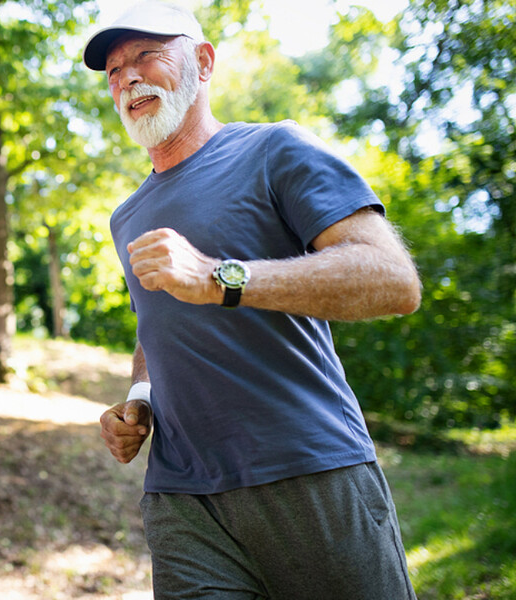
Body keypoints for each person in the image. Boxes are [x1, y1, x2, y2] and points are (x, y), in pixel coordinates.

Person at [84, 2, 422, 599]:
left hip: (307, 469)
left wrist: (221, 278)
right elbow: (156, 326)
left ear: (203, 62)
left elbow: (394, 279)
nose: (127, 77)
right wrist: (139, 399)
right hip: (182, 498)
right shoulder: (126, 216)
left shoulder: (275, 150)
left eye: (146, 56)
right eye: (113, 71)